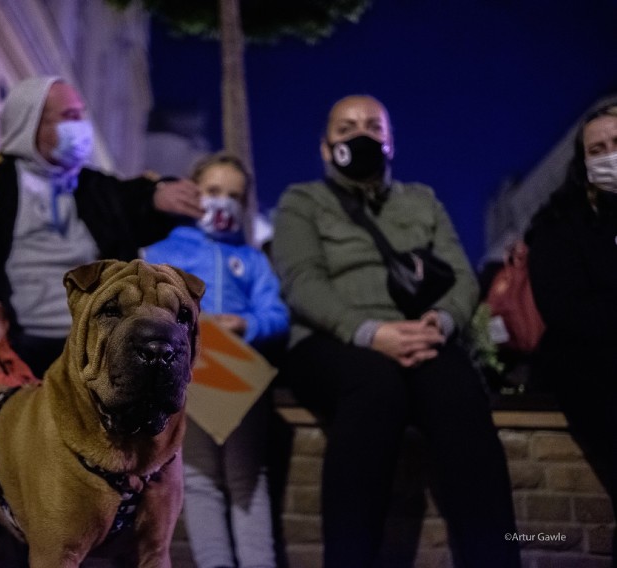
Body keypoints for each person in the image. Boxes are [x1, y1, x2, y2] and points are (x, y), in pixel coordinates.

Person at [0, 75, 202, 567]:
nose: (81, 126)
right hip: (9, 341)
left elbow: (131, 201)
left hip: (91, 345)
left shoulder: (90, 185)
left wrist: (160, 199)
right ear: (31, 124)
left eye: (81, 114)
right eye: (68, 117)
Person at [270, 94, 520, 567]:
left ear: (390, 142)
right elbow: (302, 282)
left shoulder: (422, 200)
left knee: (458, 389)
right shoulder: (302, 201)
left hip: (420, 335)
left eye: (372, 126)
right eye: (346, 128)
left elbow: (463, 276)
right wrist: (369, 332)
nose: (360, 135)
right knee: (374, 385)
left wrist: (441, 322)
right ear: (326, 148)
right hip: (332, 341)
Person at [143, 152, 289, 568]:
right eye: (212, 191)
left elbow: (276, 316)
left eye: (233, 196)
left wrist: (245, 325)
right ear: (192, 193)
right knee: (198, 478)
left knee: (248, 479)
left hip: (236, 375)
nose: (221, 202)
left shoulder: (255, 261)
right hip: (186, 377)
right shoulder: (160, 252)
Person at [525, 103, 617, 567]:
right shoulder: (559, 225)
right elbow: (566, 310)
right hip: (588, 366)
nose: (609, 157)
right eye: (597, 149)